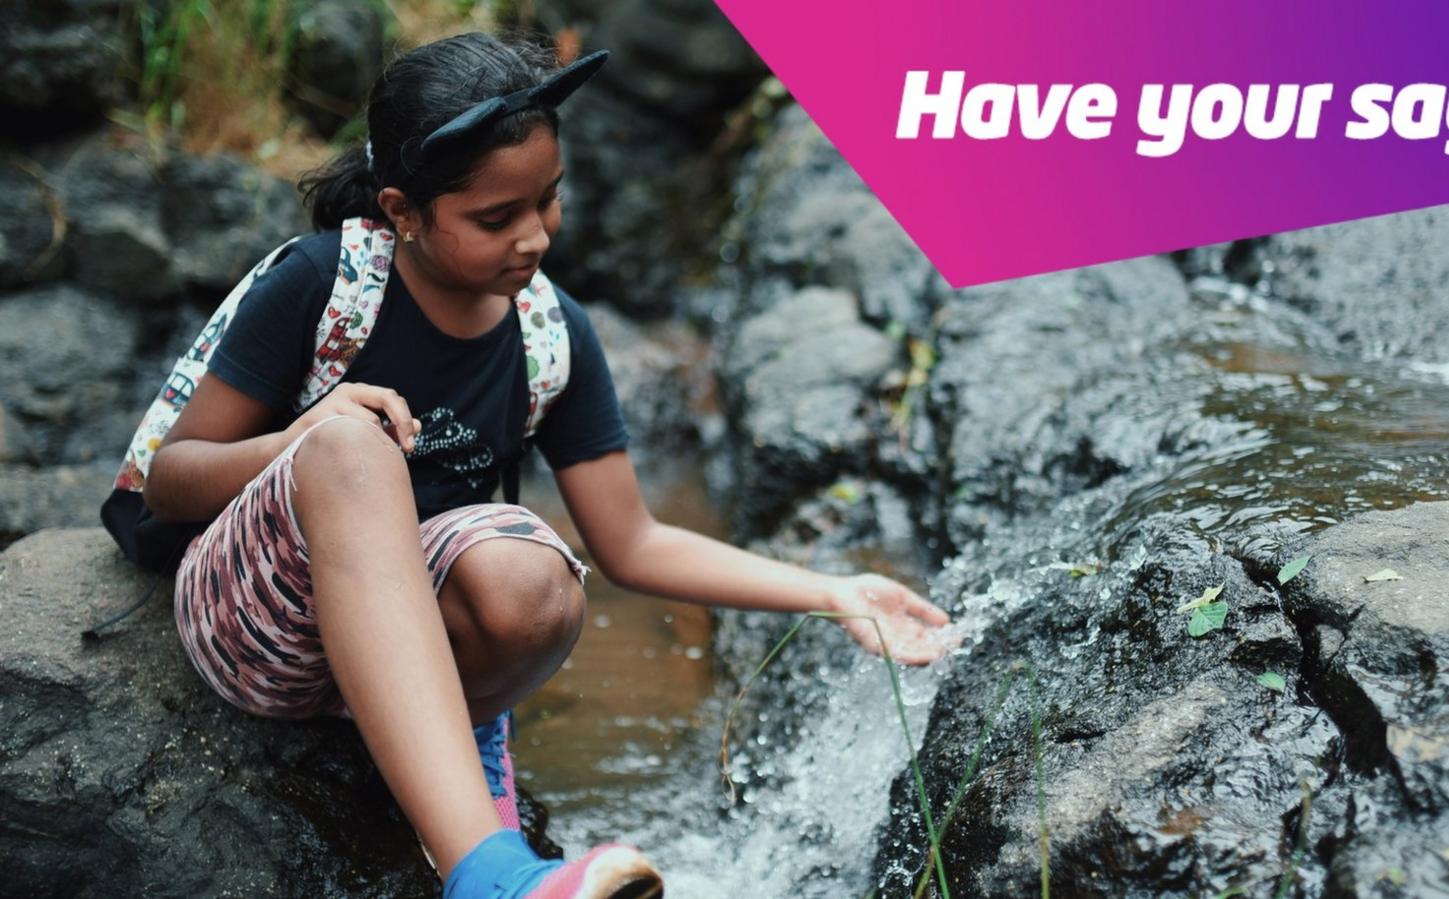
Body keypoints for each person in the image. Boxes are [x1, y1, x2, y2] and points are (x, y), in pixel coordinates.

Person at [130, 31, 952, 899]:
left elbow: (632, 542)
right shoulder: (321, 284)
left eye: (547, 202)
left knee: (537, 572)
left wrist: (833, 591)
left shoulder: (551, 332)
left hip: (410, 638)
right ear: (403, 210)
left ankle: (454, 770)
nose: (534, 239)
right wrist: (305, 435)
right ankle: (490, 873)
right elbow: (171, 476)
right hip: (263, 620)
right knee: (348, 444)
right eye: (495, 218)